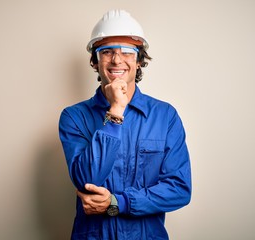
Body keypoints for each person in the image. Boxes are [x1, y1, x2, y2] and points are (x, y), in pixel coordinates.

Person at [58, 9, 191, 240]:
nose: (117, 60)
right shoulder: (73, 117)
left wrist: (118, 203)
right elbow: (86, 179)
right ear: (95, 61)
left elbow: (179, 189)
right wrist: (116, 110)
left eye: (127, 51)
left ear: (139, 61)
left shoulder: (165, 116)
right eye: (106, 51)